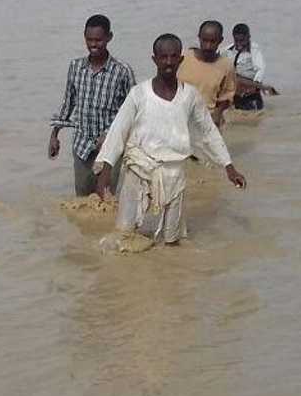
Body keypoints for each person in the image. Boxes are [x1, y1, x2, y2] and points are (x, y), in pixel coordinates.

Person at [93, 34, 246, 245]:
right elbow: (119, 130)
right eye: (163, 57)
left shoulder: (190, 96)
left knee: (172, 241)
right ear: (154, 59)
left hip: (175, 172)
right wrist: (105, 170)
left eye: (173, 57)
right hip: (139, 169)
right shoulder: (139, 94)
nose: (168, 62)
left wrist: (228, 166)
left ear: (181, 60)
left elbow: (208, 131)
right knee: (125, 234)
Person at [50, 14, 137, 196]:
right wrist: (54, 134)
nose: (93, 45)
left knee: (106, 199)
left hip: (110, 148)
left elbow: (133, 111)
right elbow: (68, 103)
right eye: (89, 40)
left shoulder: (122, 71)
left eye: (98, 40)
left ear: (109, 37)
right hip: (82, 146)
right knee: (82, 200)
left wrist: (111, 135)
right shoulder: (75, 67)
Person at [175, 20, 236, 126]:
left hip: (208, 121)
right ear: (199, 37)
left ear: (220, 41)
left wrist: (218, 112)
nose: (208, 46)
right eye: (205, 40)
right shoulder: (183, 58)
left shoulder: (226, 65)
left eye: (213, 42)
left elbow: (226, 96)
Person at [225, 22, 278, 111]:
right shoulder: (227, 51)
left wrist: (259, 86)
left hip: (251, 97)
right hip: (235, 97)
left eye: (242, 40)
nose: (239, 44)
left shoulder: (255, 51)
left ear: (248, 37)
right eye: (236, 40)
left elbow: (260, 71)